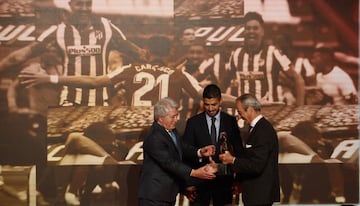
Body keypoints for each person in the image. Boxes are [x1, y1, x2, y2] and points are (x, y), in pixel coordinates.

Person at [0, 0, 148, 106]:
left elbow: (137, 53)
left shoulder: (107, 28)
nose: (84, 8)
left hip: (104, 100)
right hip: (69, 100)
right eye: (79, 3)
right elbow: (22, 55)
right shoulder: (58, 31)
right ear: (70, 5)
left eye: (88, 4)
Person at [138, 97, 218, 206]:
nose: (177, 119)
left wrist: (200, 152)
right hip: (154, 197)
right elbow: (168, 162)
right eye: (173, 116)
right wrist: (194, 172)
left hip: (167, 195)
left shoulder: (171, 130)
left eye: (177, 115)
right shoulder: (154, 138)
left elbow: (181, 147)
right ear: (161, 118)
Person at [182, 84, 244, 206]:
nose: (210, 109)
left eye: (214, 104)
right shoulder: (193, 123)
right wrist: (189, 184)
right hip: (199, 184)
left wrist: (238, 180)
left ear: (220, 101)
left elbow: (239, 151)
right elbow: (186, 153)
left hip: (224, 183)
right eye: (207, 104)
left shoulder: (230, 121)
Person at [228, 11, 305, 106]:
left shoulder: (273, 52)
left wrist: (299, 108)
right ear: (244, 31)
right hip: (245, 113)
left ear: (262, 31)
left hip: (269, 111)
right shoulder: (236, 54)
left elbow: (298, 79)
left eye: (255, 28)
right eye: (248, 28)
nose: (251, 31)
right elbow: (227, 83)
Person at [220, 93, 280, 206]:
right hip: (255, 194)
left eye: (240, 112)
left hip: (260, 195)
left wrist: (232, 160)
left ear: (250, 109)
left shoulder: (263, 131)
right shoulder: (256, 128)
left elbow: (256, 165)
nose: (239, 116)